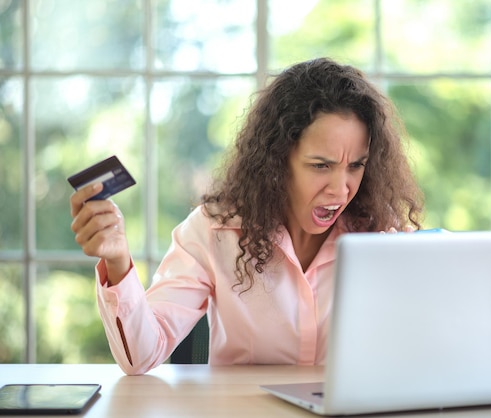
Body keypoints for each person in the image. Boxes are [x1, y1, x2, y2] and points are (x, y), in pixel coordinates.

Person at [70, 57, 424, 375]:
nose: (341, 189)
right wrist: (117, 261)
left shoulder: (379, 233)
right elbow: (141, 356)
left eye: (356, 166)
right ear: (278, 160)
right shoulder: (215, 230)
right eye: (321, 166)